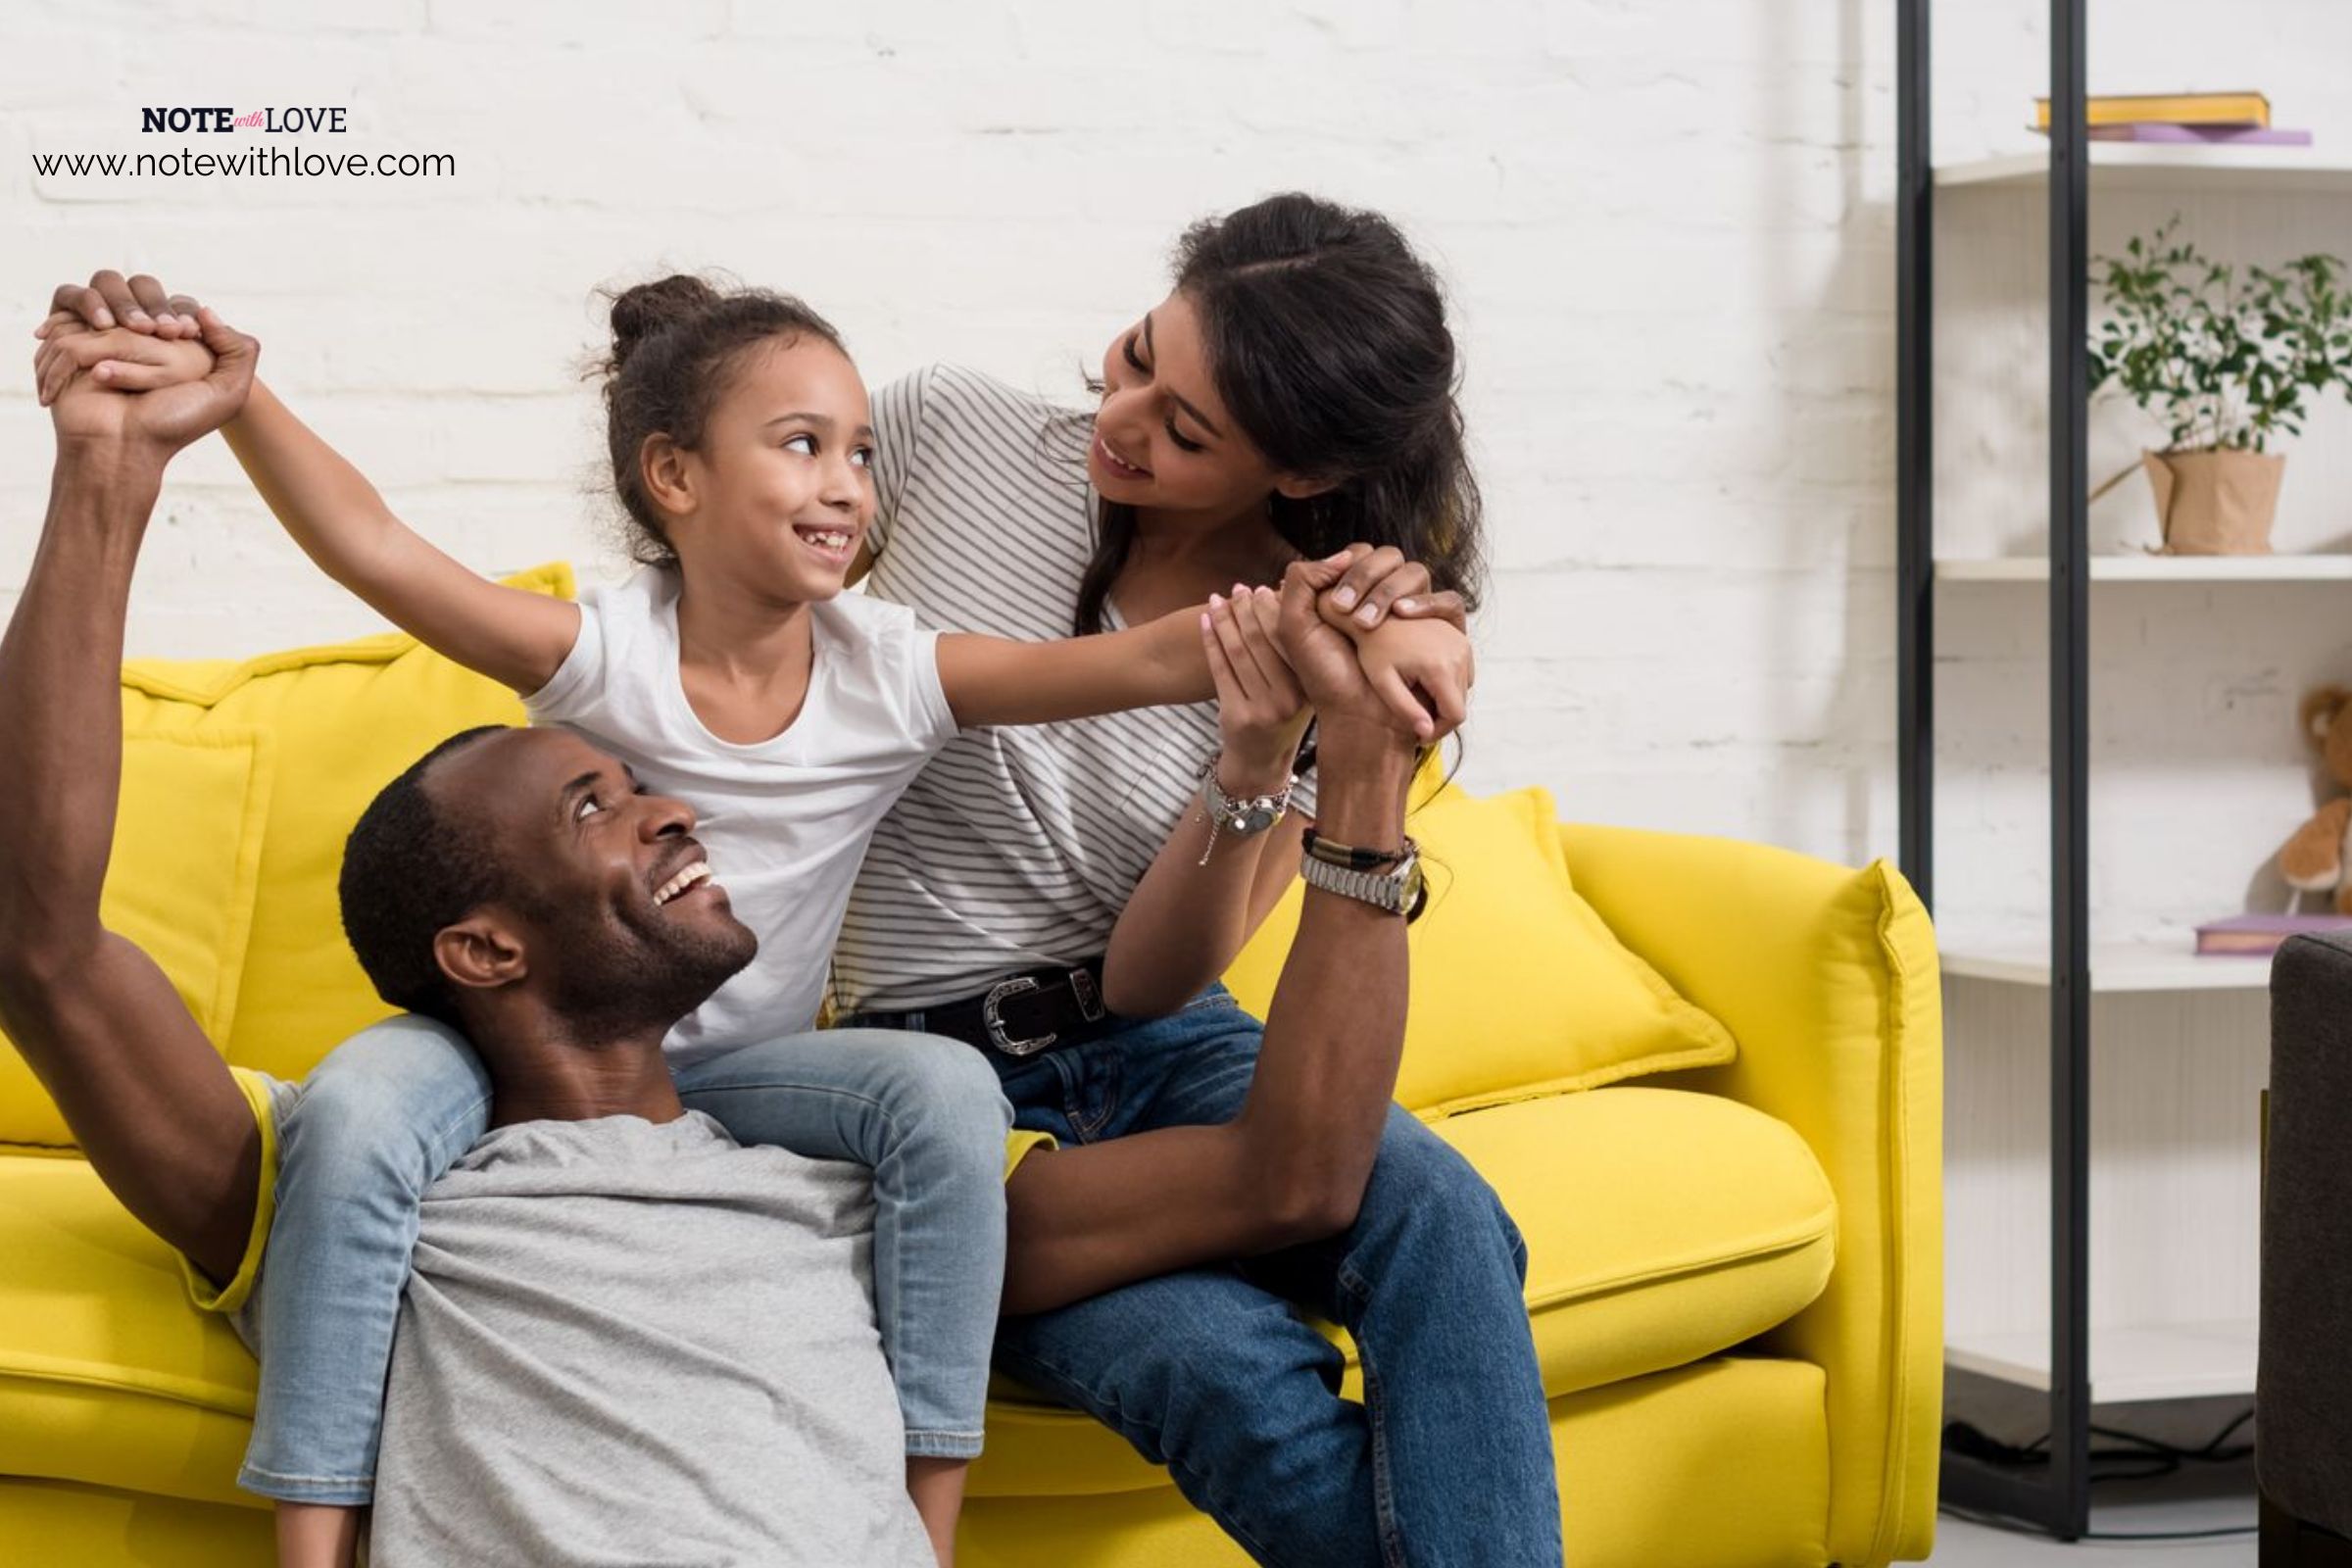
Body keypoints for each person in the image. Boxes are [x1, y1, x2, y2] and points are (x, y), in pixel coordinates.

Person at [34, 266, 1470, 1565]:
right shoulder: (438, 1115)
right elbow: (372, 552)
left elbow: (1169, 672)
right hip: (510, 1082)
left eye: (859, 452)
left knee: (957, 1103)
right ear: (675, 478)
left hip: (752, 1076)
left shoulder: (886, 695)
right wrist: (214, 416)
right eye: (594, 804)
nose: (672, 812)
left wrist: (1365, 630)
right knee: (361, 1108)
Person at [829, 192, 1563, 1564]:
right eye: (1137, 356)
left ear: (1291, 476)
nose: (1123, 418)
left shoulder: (1302, 627)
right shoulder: (945, 436)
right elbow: (738, 601)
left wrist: (1269, 755)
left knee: (1449, 1220)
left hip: (1166, 1049)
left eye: (1187, 431)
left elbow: (1152, 980)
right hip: (937, 1075)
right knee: (1220, 1370)